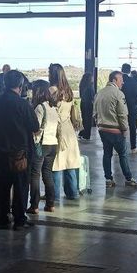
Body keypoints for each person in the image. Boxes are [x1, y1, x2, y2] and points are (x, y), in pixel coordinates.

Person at [0, 69, 40, 230]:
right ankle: (19, 219)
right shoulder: (22, 104)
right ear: (20, 85)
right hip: (20, 153)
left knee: (3, 187)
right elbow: (34, 126)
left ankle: (2, 219)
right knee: (20, 187)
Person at [94, 71, 137, 188]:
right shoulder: (118, 94)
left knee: (107, 154)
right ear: (114, 80)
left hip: (102, 129)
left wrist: (100, 124)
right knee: (123, 155)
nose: (123, 82)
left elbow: (94, 113)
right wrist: (125, 129)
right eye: (121, 80)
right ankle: (129, 178)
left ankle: (108, 179)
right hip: (116, 130)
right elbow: (122, 114)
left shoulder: (99, 93)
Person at [49, 63, 82, 200]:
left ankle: (54, 195)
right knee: (70, 162)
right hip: (69, 129)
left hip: (56, 130)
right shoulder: (69, 91)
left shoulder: (51, 89)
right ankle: (73, 193)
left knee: (55, 164)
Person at [29, 80, 60, 213]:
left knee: (35, 174)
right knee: (47, 174)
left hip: (41, 144)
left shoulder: (40, 107)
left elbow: (35, 127)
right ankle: (50, 204)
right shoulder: (53, 107)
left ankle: (34, 205)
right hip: (53, 144)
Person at [120, 63, 137, 153]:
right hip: (133, 107)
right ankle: (133, 147)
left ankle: (119, 147)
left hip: (121, 107)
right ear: (130, 70)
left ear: (121, 69)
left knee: (120, 126)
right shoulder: (135, 80)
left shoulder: (120, 79)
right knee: (133, 127)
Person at [78, 73, 95, 141]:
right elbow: (93, 97)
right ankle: (87, 135)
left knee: (85, 119)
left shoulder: (82, 85)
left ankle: (83, 133)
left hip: (83, 103)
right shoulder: (90, 87)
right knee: (88, 120)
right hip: (89, 104)